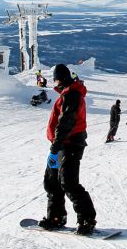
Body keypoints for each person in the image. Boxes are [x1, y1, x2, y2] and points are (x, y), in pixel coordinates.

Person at [39, 64, 97, 235]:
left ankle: (87, 219)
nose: (54, 83)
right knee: (52, 182)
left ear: (61, 79)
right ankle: (56, 217)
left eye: (55, 79)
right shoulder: (67, 93)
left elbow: (66, 122)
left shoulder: (72, 94)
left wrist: (55, 147)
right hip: (61, 144)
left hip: (69, 144)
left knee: (68, 182)